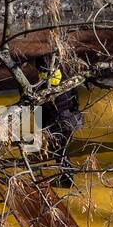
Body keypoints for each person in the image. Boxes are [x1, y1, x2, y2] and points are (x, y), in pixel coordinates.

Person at [37, 56, 83, 188]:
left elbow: (41, 110)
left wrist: (42, 128)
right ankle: (66, 177)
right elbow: (76, 100)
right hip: (70, 121)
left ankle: (67, 179)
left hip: (55, 123)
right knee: (62, 150)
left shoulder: (42, 87)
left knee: (60, 152)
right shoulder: (66, 80)